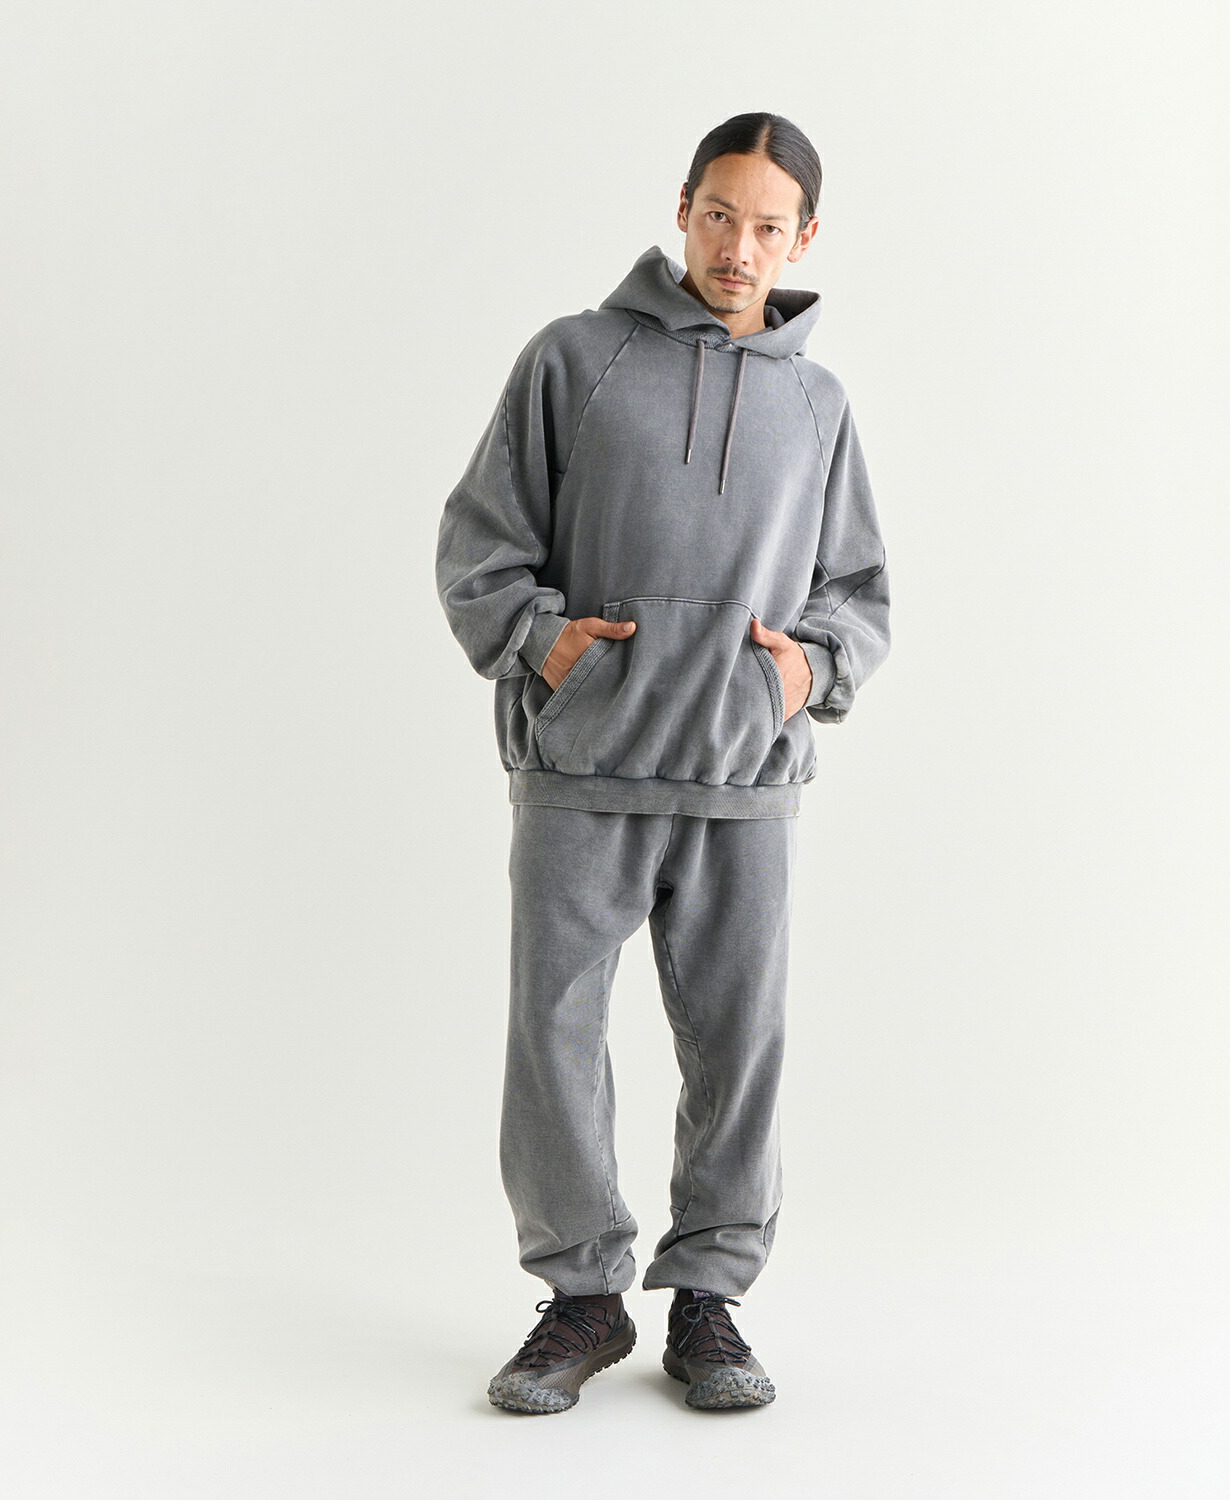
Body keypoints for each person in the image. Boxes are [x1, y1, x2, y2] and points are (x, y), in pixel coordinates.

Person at [434, 111, 891, 1414]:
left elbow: (858, 593)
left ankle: (709, 1301)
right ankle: (583, 1299)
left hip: (744, 782)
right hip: (585, 767)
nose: (738, 248)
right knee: (555, 1035)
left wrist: (802, 672)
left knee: (739, 1046)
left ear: (804, 238)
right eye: (719, 215)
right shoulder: (572, 360)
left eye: (767, 227)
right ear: (683, 208)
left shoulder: (819, 403)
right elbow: (480, 542)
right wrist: (544, 645)